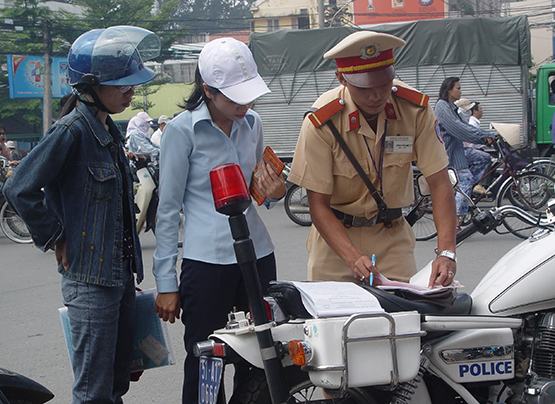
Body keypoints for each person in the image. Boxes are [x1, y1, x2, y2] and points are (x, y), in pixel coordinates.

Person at [3, 26, 160, 403]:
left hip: (118, 279)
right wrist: (56, 234)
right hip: (90, 283)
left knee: (115, 384)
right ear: (91, 87)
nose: (130, 90)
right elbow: (18, 186)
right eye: (120, 83)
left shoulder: (111, 132)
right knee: (93, 391)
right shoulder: (71, 131)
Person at [153, 37, 285, 403]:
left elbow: (257, 187)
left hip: (257, 256)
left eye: (249, 96)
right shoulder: (181, 131)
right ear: (208, 90)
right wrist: (166, 280)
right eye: (234, 98)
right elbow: (167, 209)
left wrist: (273, 191)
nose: (245, 105)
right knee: (206, 361)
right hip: (207, 264)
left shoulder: (252, 123)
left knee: (261, 356)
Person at [288, 31, 457, 289]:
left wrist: (446, 253)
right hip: (336, 246)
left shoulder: (414, 110)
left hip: (392, 237)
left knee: (402, 321)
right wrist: (353, 258)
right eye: (365, 87)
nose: (377, 95)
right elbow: (318, 206)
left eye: (384, 84)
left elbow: (439, 182)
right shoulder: (322, 121)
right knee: (337, 325)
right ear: (341, 78)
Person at [434, 77, 495, 219]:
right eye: (458, 88)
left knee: (484, 158)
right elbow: (459, 129)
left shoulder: (451, 107)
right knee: (466, 180)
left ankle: (461, 192)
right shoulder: (442, 107)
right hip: (449, 154)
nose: (460, 91)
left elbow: (465, 126)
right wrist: (482, 137)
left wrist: (488, 134)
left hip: (459, 152)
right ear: (449, 90)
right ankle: (455, 219)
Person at [126, 111, 159, 231]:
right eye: (144, 123)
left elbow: (153, 148)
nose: (147, 125)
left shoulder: (141, 134)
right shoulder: (135, 135)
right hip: (137, 171)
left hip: (142, 169)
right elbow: (149, 149)